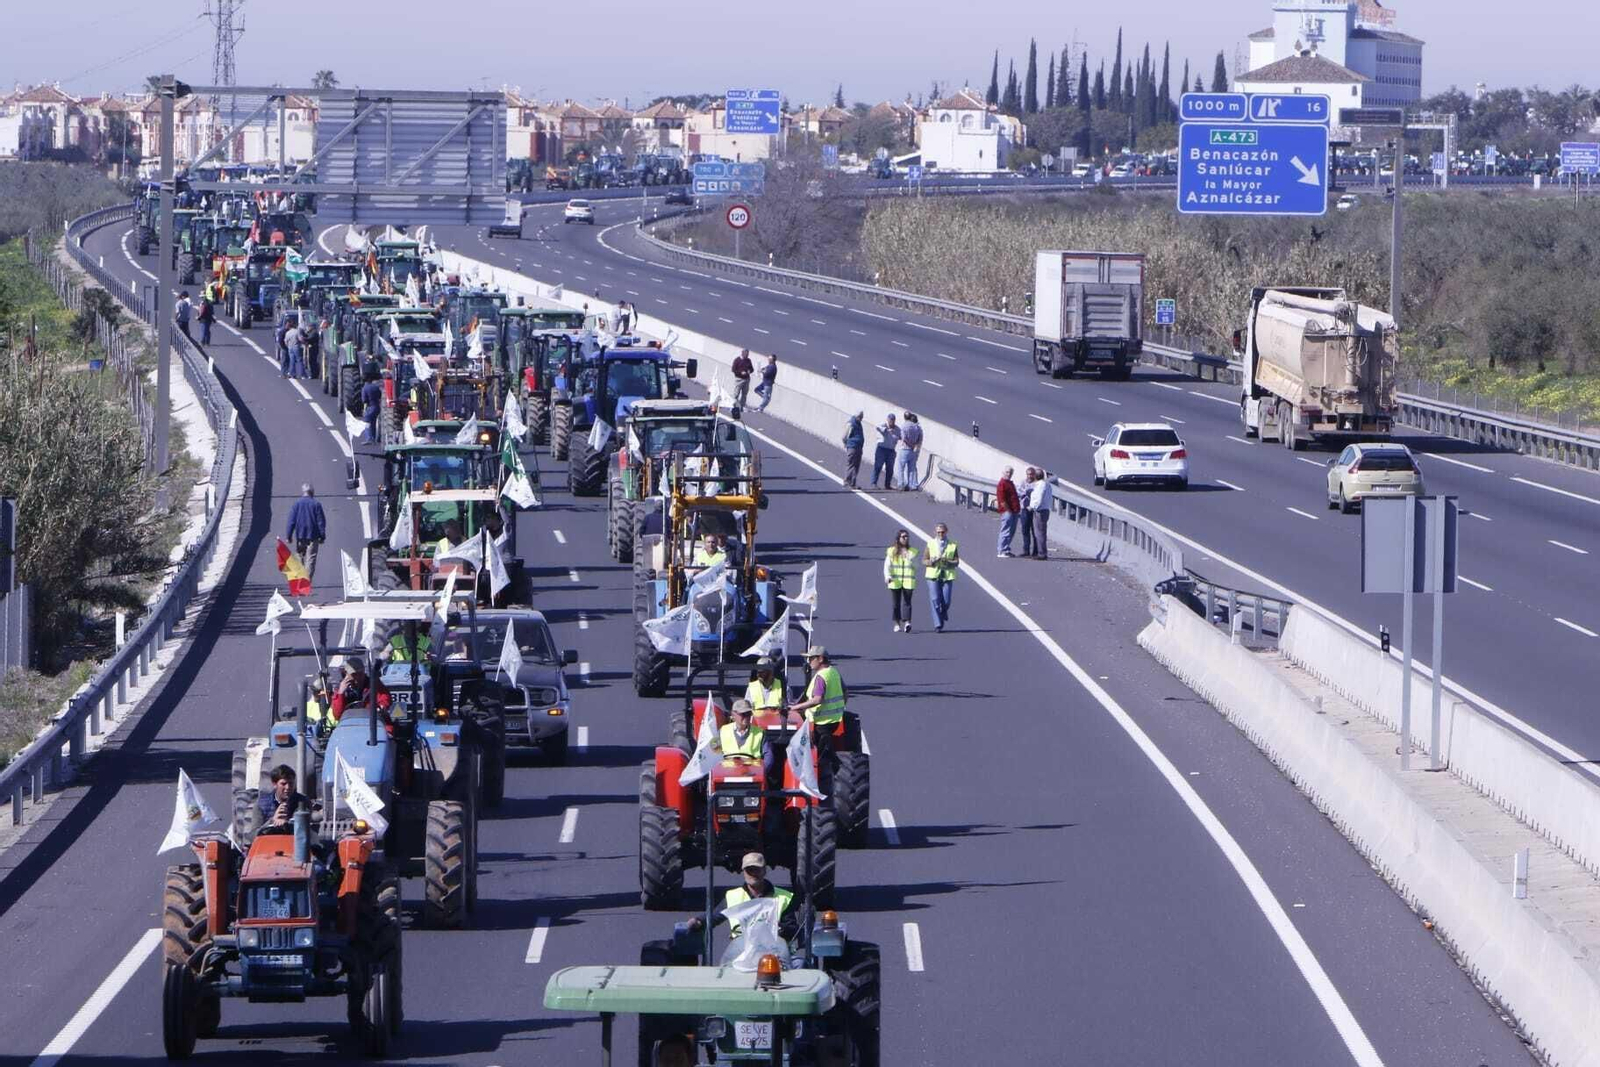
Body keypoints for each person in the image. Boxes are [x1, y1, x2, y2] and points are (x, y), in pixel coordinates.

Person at [687, 852, 798, 941]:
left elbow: (791, 928)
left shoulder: (784, 898)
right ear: (743, 872)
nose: (753, 874)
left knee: (798, 963)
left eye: (757, 869)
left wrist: (778, 931)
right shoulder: (733, 896)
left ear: (764, 870)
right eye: (749, 870)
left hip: (775, 953)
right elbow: (715, 916)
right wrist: (699, 921)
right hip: (741, 953)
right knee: (725, 968)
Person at [787, 645, 846, 766]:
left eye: (811, 658)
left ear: (820, 659)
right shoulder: (834, 672)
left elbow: (817, 700)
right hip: (835, 720)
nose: (808, 662)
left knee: (818, 757)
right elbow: (845, 693)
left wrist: (795, 708)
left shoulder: (820, 677)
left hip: (820, 723)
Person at [922, 522, 960, 632]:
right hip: (933, 575)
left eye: (942, 532)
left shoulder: (953, 545)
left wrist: (948, 561)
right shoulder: (930, 543)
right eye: (938, 532)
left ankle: (943, 613)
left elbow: (957, 561)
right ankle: (937, 624)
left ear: (946, 532)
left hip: (947, 576)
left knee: (946, 601)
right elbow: (924, 560)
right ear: (935, 532)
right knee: (935, 599)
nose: (940, 534)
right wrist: (932, 561)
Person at [285, 483, 326, 579]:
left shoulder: (297, 504)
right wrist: (322, 536)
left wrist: (289, 536)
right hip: (313, 536)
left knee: (299, 556)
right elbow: (321, 522)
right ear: (312, 493)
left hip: (300, 536)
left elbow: (291, 521)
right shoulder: (316, 504)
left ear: (303, 492)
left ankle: (300, 578)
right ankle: (306, 582)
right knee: (310, 559)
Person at [258, 765, 311, 832]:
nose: (288, 787)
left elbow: (305, 830)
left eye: (291, 783)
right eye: (283, 784)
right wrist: (272, 821)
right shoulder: (261, 805)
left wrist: (287, 823)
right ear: (274, 784)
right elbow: (253, 835)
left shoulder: (303, 802)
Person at [884, 529, 917, 632]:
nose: (906, 538)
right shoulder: (891, 551)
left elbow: (916, 566)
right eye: (903, 537)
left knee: (907, 602)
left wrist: (909, 558)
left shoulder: (912, 551)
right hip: (895, 581)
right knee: (896, 603)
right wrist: (887, 576)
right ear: (898, 539)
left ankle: (907, 623)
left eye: (907, 536)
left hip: (908, 581)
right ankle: (897, 623)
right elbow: (887, 566)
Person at [996, 466, 1022, 557]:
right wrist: (1008, 511)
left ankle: (1006, 549)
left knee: (1011, 531)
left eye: (1010, 472)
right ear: (1003, 472)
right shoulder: (1002, 483)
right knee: (1005, 531)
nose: (1009, 474)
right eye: (1007, 472)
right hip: (1007, 511)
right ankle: (1001, 550)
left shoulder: (1009, 483)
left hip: (1014, 511)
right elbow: (1002, 500)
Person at [1029, 469, 1054, 560]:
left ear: (1035, 476)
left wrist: (1032, 507)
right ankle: (1041, 552)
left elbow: (1038, 499)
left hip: (1040, 511)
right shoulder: (1047, 484)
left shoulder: (1040, 486)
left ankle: (1042, 553)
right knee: (1041, 532)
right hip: (1045, 509)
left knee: (1039, 533)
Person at [871, 413, 899, 490]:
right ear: (887, 419)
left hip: (891, 451)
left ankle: (887, 484)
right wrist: (887, 430)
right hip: (881, 449)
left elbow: (901, 436)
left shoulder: (897, 429)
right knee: (878, 466)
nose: (891, 422)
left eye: (893, 420)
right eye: (890, 420)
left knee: (890, 469)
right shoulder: (883, 425)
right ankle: (874, 483)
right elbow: (877, 427)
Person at [896, 412, 923, 491]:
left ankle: (901, 484)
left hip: (905, 449)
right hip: (912, 451)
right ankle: (912, 485)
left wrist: (910, 444)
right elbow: (920, 439)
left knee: (901, 468)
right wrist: (914, 445)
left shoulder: (904, 426)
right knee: (912, 469)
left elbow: (903, 438)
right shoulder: (917, 427)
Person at [841, 411, 865, 488]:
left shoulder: (858, 423)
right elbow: (844, 436)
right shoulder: (851, 423)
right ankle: (847, 481)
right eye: (860, 417)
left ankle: (853, 482)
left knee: (856, 465)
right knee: (851, 463)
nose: (861, 419)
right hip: (852, 446)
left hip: (858, 447)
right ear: (857, 416)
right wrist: (846, 444)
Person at [360, 371, 384, 445]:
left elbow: (364, 400)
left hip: (370, 407)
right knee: (373, 423)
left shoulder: (365, 388)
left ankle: (369, 438)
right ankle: (373, 438)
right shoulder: (375, 387)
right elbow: (380, 396)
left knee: (366, 422)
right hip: (377, 407)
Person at [1018, 468, 1037, 557]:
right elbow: (1019, 491)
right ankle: (1026, 550)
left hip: (1033, 510)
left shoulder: (1037, 484)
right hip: (1024, 509)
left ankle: (1036, 551)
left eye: (1031, 474)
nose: (1030, 476)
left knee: (1035, 531)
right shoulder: (1023, 482)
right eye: (1028, 474)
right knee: (1025, 530)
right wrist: (1026, 492)